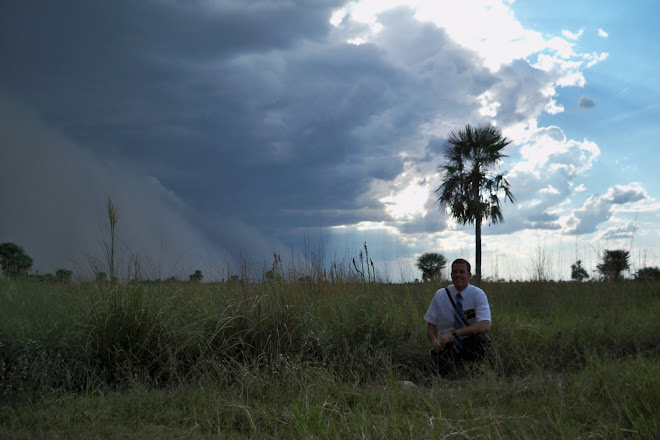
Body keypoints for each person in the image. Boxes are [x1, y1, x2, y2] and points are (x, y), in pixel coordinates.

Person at [423, 258, 491, 377]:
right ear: (451, 275)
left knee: (481, 340)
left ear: (469, 275)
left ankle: (474, 370)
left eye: (461, 272)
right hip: (446, 345)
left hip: (468, 343)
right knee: (434, 377)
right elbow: (431, 326)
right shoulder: (440, 295)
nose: (458, 275)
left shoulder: (477, 294)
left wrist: (454, 334)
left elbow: (485, 325)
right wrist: (434, 341)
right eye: (455, 272)